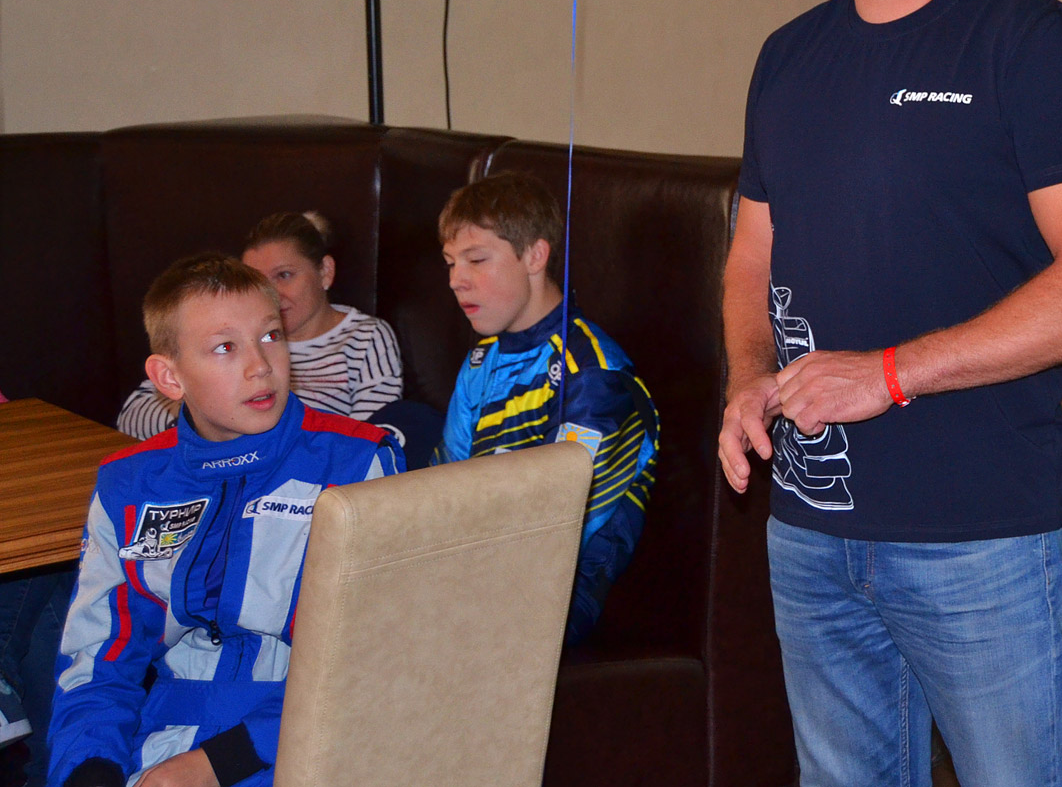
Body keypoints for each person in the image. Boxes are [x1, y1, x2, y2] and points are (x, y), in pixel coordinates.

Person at [716, 0, 1062, 787]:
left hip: (977, 534)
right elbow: (751, 258)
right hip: (811, 526)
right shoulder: (786, 57)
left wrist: (888, 374)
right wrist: (746, 377)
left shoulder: (1027, 43)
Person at [47, 254, 400, 787]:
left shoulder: (356, 462)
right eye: (225, 347)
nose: (261, 366)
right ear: (169, 377)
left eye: (271, 336)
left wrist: (216, 764)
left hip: (312, 738)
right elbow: (98, 659)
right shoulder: (129, 484)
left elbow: (373, 655)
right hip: (165, 737)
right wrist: (89, 770)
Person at [435, 171, 657, 645]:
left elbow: (560, 524)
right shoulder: (481, 360)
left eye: (477, 260)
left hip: (562, 598)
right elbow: (442, 482)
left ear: (535, 256)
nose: (456, 280)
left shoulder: (595, 374)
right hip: (478, 571)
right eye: (450, 263)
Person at [116, 212, 409, 449]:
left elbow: (370, 440)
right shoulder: (231, 334)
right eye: (258, 280)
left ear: (325, 271)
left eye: (284, 275)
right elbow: (132, 415)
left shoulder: (364, 338)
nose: (271, 294)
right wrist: (204, 422)